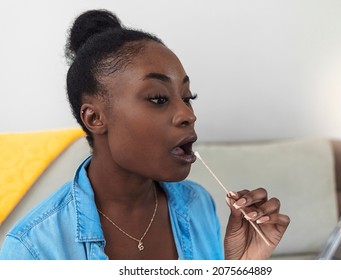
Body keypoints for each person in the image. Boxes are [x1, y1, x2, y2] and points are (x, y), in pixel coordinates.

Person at [0, 9, 289, 260]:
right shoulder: (31, 249)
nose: (189, 114)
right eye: (158, 98)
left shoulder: (198, 205)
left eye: (188, 97)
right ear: (95, 118)